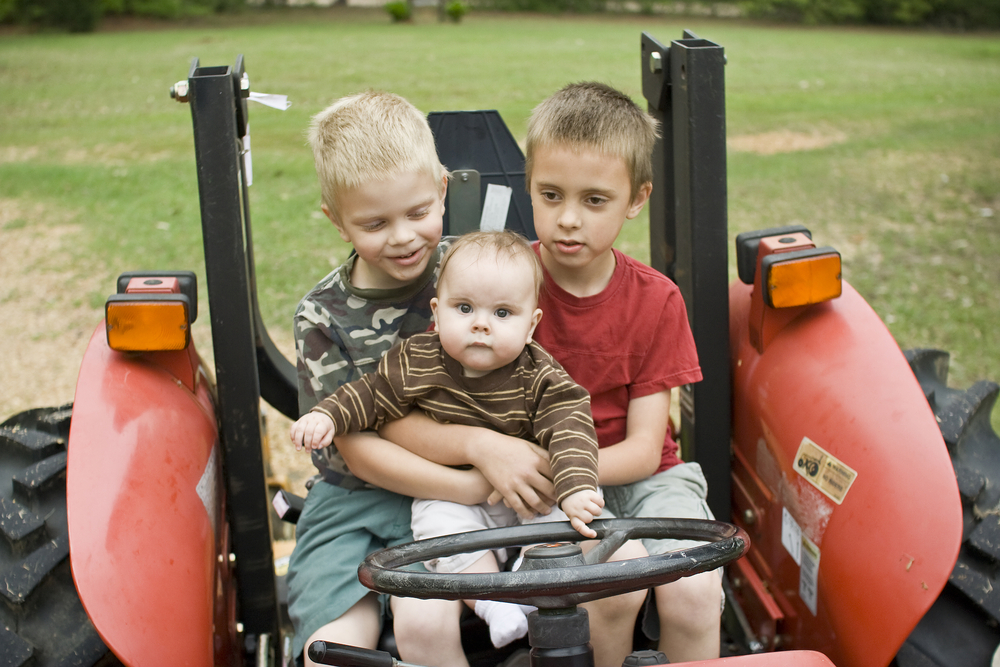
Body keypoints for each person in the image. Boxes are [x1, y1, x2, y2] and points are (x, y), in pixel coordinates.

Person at [380, 81, 720, 665]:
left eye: (594, 201)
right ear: (527, 183)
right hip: (539, 494)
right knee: (604, 586)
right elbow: (409, 407)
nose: (568, 220)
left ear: (636, 199)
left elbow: (644, 449)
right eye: (551, 194)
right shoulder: (494, 287)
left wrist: (552, 474)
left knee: (693, 589)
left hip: (635, 479)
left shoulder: (657, 301)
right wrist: (496, 458)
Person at [287, 91, 552, 667]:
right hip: (360, 501)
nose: (403, 237)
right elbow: (357, 450)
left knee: (446, 611)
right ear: (336, 220)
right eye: (374, 223)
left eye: (416, 213)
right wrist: (468, 484)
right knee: (331, 650)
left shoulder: (474, 272)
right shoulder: (323, 317)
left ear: (442, 189)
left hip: (478, 494)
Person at [292, 230, 604, 649]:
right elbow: (372, 394)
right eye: (464, 308)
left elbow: (571, 428)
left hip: (525, 494)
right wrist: (327, 413)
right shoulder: (418, 359)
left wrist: (577, 487)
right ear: (437, 314)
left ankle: (529, 586)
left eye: (503, 314)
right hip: (455, 495)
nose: (481, 323)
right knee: (436, 526)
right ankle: (495, 604)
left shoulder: (540, 377)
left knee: (567, 524)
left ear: (532, 325)